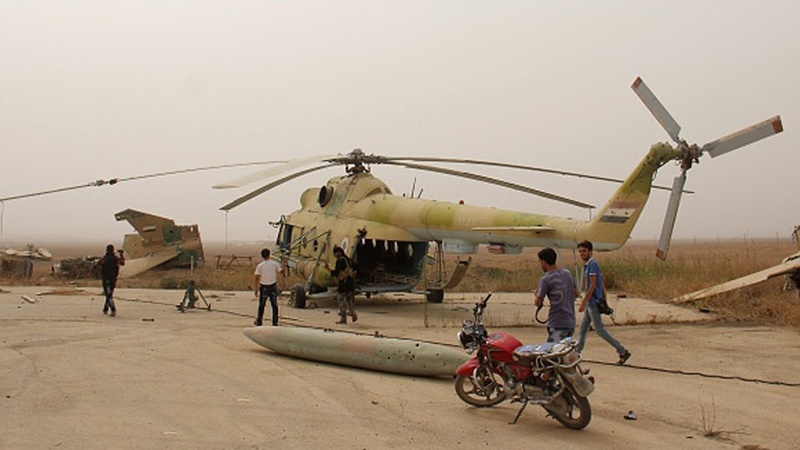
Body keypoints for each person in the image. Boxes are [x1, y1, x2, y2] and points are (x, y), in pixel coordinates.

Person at [576, 240, 631, 365]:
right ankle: (577, 353)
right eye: (580, 251)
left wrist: (584, 302)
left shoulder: (592, 264)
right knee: (583, 329)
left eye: (584, 251)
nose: (582, 254)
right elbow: (601, 284)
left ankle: (622, 351)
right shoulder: (588, 265)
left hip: (592, 302)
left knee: (599, 330)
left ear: (590, 251)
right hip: (592, 302)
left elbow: (593, 285)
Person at [534, 247, 578, 343]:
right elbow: (576, 293)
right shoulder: (567, 274)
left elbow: (538, 302)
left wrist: (537, 294)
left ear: (544, 261)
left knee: (553, 352)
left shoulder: (546, 279)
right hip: (570, 321)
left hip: (557, 322)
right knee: (565, 352)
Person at [253, 248, 284, 326]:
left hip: (263, 287)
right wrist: (285, 264)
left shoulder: (260, 266)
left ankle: (259, 321)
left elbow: (256, 277)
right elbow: (281, 272)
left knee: (262, 305)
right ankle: (275, 322)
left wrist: (256, 289)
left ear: (262, 256)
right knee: (274, 305)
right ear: (269, 255)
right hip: (272, 286)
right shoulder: (274, 264)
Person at [327, 246, 357, 324]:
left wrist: (329, 270)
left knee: (342, 301)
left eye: (335, 254)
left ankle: (343, 319)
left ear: (339, 253)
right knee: (350, 300)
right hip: (351, 283)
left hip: (343, 284)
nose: (335, 256)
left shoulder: (340, 261)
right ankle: (353, 313)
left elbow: (336, 272)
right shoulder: (349, 260)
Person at [99, 244, 125, 317]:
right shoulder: (115, 258)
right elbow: (122, 263)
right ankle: (106, 308)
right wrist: (121, 255)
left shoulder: (104, 259)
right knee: (109, 294)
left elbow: (98, 265)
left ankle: (113, 309)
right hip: (113, 279)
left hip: (106, 278)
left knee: (108, 294)